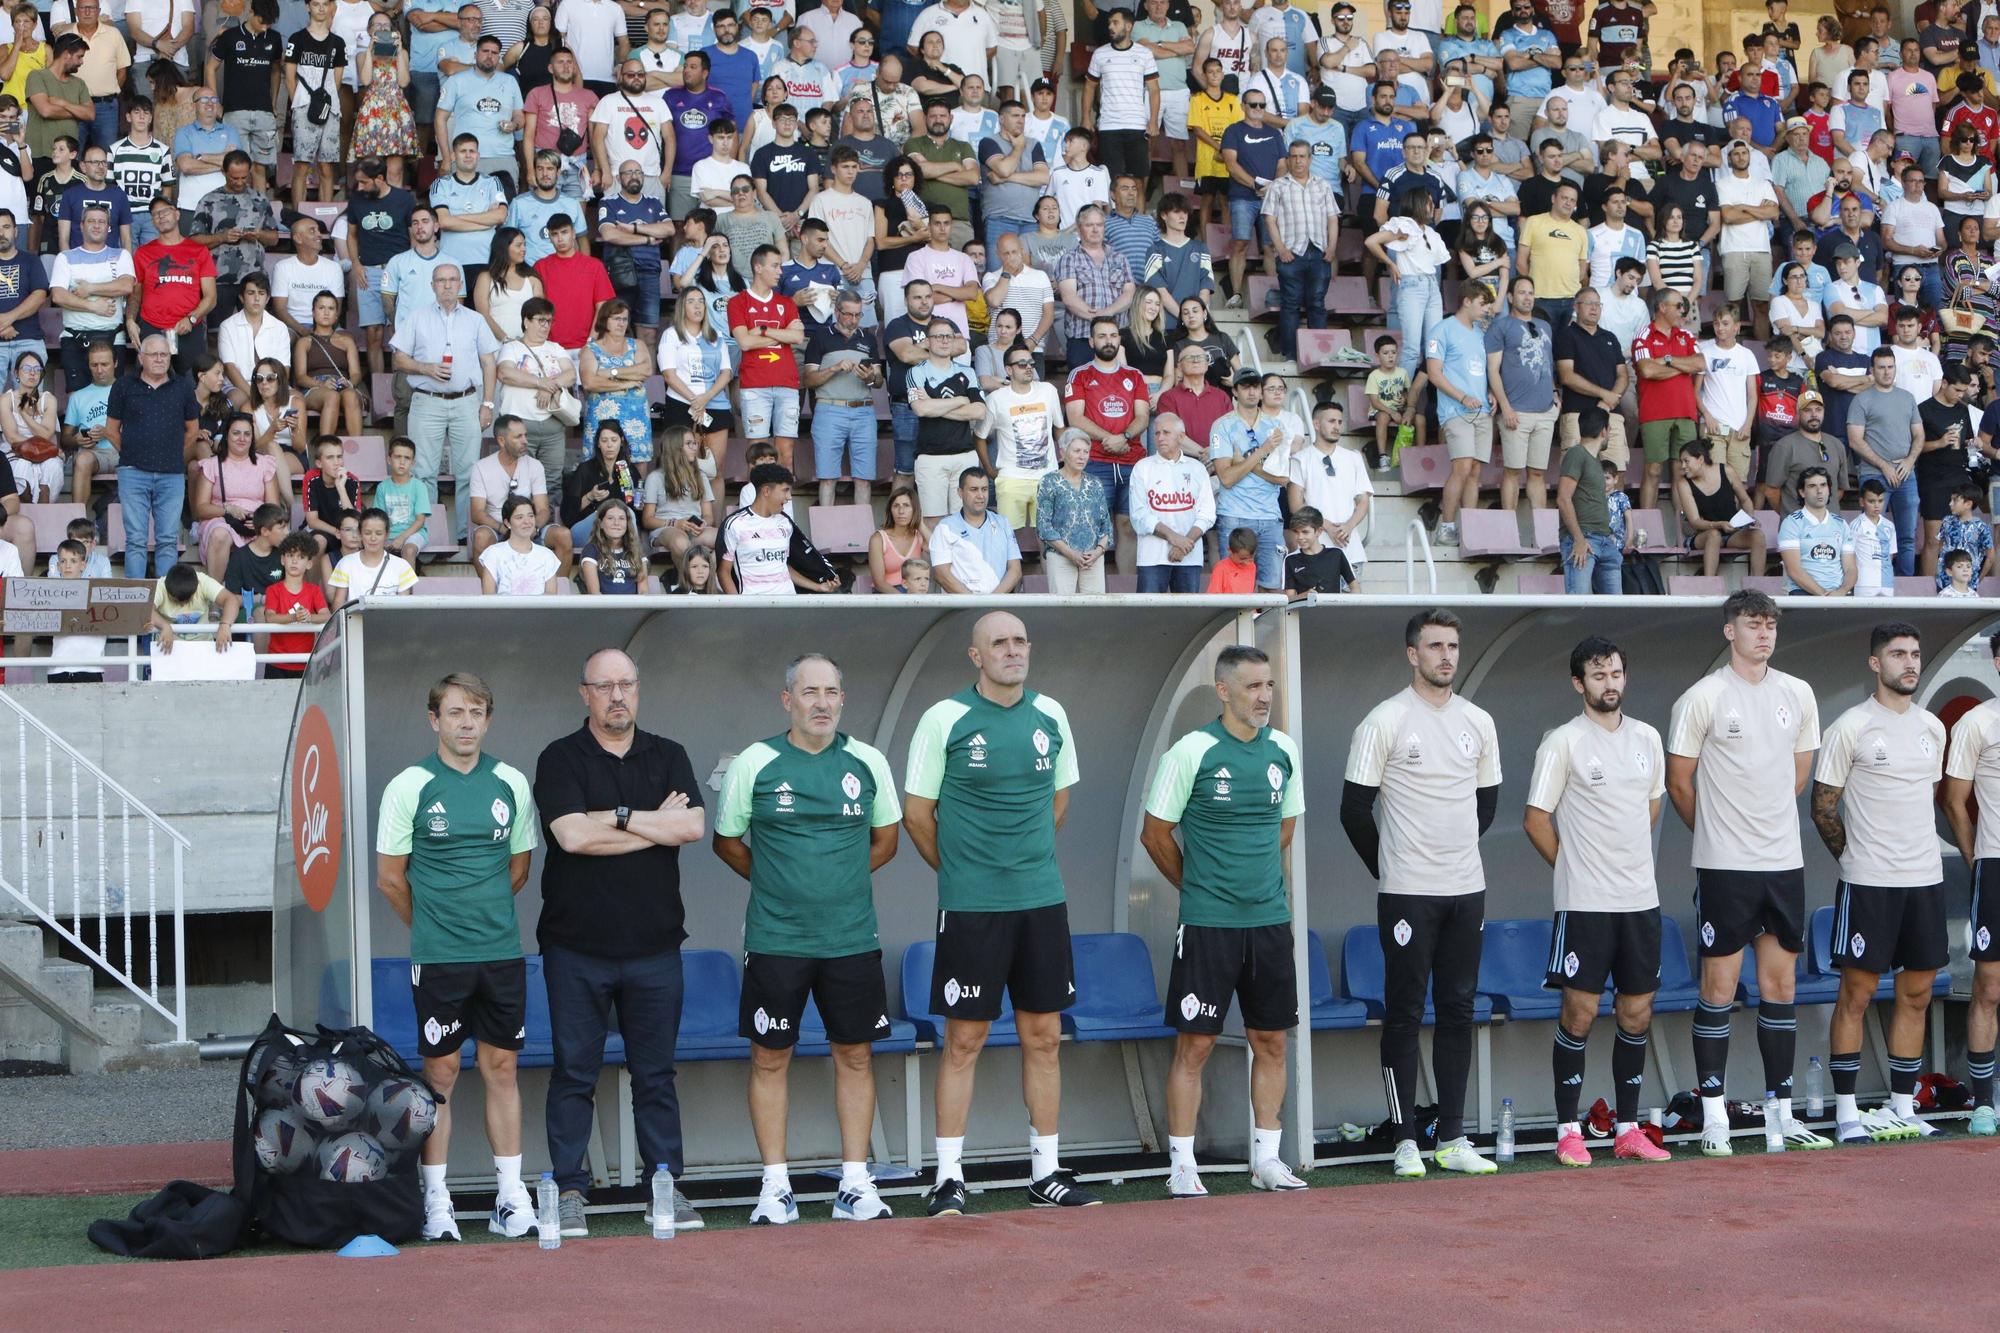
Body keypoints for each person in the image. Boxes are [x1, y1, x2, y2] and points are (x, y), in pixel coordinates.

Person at [904, 612, 1098, 1216]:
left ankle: (1045, 1172)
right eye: (1000, 644)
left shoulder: (1052, 714)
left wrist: (1024, 858)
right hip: (972, 907)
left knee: (1043, 1036)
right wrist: (964, 871)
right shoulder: (945, 719)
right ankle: (948, 1178)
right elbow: (917, 814)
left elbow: (1059, 801)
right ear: (975, 656)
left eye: (1020, 641)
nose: (1013, 651)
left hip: (1041, 900)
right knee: (965, 1039)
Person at [713, 654, 902, 1226]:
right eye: (810, 692)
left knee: (856, 1054)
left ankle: (853, 1181)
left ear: (843, 699)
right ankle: (776, 1187)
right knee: (770, 1058)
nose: (822, 702)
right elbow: (727, 841)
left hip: (850, 937)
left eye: (832, 692)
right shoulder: (757, 761)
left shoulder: (867, 761)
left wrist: (834, 885)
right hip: (776, 939)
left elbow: (886, 840)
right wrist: (782, 885)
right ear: (787, 700)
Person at [530, 648, 707, 1237]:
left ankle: (665, 1185)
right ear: (584, 693)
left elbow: (690, 827)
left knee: (655, 1075)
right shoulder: (560, 758)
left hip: (656, 948)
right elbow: (572, 838)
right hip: (574, 949)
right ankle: (570, 1190)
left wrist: (616, 817)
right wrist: (648, 824)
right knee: (573, 1074)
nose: (616, 696)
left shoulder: (669, 754)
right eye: (604, 686)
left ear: (638, 688)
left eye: (625, 684)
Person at [1137, 644, 1310, 1199]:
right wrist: (1197, 886)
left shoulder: (1282, 750)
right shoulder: (1192, 752)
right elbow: (1155, 833)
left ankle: (1267, 1159)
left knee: (1272, 1041)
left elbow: (1284, 828)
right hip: (1209, 924)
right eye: (1254, 687)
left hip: (1269, 922)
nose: (1264, 697)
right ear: (1224, 691)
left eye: (1269, 687)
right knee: (1197, 1044)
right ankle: (1183, 1164)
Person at [1664, 589, 1831, 1157]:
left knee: (1780, 986)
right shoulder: (1702, 698)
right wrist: (1714, 831)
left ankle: (1780, 1112)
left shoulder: (1798, 693)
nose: (1764, 633)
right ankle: (1713, 1112)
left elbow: (1800, 771)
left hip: (1783, 864)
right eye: (1752, 624)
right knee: (1720, 987)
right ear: (1729, 631)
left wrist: (1765, 819)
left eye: (1770, 625)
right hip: (1725, 867)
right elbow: (1679, 782)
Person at [374, 672, 540, 1242]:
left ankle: (510, 1197)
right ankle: (437, 1199)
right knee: (440, 1073)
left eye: (476, 712)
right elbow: (391, 880)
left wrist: (479, 915)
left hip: (500, 953)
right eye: (455, 713)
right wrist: (436, 927)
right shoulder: (410, 785)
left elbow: (519, 867)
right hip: (439, 956)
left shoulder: (511, 782)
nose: (466, 722)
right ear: (434, 720)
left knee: (502, 1068)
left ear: (487, 720)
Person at [1343, 609, 1501, 1179]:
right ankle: (1405, 1138)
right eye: (1434, 646)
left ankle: (1452, 1137)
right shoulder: (1385, 720)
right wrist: (1391, 867)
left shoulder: (1478, 721)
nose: (1446, 656)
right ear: (1413, 654)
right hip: (1407, 892)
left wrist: (1451, 855)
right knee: (1405, 1012)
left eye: (1453, 645)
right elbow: (1354, 810)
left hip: (1466, 889)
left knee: (1459, 1008)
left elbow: (1486, 804)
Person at [1523, 635, 1675, 1166]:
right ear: (1578, 684)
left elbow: (1651, 807)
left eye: (1615, 674)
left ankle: (1629, 1127)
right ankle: (1568, 1129)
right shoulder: (1563, 742)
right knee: (1580, 1010)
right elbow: (1535, 819)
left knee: (1637, 1011)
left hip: (1640, 899)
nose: (1609, 684)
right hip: (1584, 903)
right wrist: (1574, 866)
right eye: (1598, 676)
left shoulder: (1648, 738)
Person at [1810, 624, 1947, 1144]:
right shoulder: (1851, 726)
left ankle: (1902, 1108)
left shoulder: (1932, 728)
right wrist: (1856, 858)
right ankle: (1846, 1113)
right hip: (1869, 883)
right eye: (1897, 655)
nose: (1909, 663)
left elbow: (1924, 799)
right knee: (1857, 993)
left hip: (1925, 880)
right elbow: (1823, 805)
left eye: (1915, 654)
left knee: (1916, 994)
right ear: (1875, 663)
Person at [106, 333, 196, 577]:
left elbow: (192, 430)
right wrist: (132, 453)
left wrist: (172, 454)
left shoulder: (184, 387)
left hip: (171, 475)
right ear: (140, 357)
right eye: (154, 354)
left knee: (167, 540)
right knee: (135, 540)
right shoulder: (123, 385)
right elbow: (112, 430)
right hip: (133, 473)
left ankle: (164, 603)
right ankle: (135, 602)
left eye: (164, 354)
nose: (159, 359)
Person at [1426, 281, 1495, 548]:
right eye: (1482, 303)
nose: (1486, 309)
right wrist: (1461, 396)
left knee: (1476, 470)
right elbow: (1434, 373)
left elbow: (1484, 370)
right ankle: (1446, 525)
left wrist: (1489, 392)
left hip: (1482, 410)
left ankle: (1469, 528)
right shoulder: (1442, 330)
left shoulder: (1482, 332)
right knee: (1462, 466)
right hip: (1455, 410)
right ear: (1466, 301)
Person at [1845, 345, 1924, 574]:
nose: (1887, 372)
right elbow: (1855, 440)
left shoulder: (1907, 397)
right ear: (1872, 369)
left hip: (1906, 473)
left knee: (1907, 536)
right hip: (1874, 473)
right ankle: (1869, 579)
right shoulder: (1862, 399)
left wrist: (1909, 462)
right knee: (1869, 532)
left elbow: (1919, 435)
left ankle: (1905, 586)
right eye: (1881, 368)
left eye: (1890, 367)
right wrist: (1884, 465)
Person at [728, 243, 805, 468]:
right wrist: (783, 335)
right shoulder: (737, 302)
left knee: (786, 453)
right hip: (755, 385)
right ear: (758, 267)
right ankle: (757, 502)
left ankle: (785, 503)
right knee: (757, 453)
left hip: (787, 383)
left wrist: (763, 330)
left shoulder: (786, 302)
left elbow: (798, 337)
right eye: (775, 266)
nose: (781, 272)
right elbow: (744, 341)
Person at [1485, 275, 1557, 513]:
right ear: (1510, 297)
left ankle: (1543, 534)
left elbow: (1548, 363)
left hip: (1545, 410)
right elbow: (1493, 370)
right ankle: (1507, 530)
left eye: (1530, 293)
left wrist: (1555, 394)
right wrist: (1505, 407)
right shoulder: (1501, 326)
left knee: (1538, 472)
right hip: (1516, 411)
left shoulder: (1544, 325)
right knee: (1513, 471)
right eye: (1522, 292)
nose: (1527, 297)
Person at [721, 462, 837, 595]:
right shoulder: (735, 524)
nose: (789, 497)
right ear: (766, 491)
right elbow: (724, 571)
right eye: (785, 490)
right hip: (753, 606)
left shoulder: (785, 523)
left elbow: (782, 566)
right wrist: (738, 606)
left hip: (788, 604)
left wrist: (817, 587)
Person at [1127, 411, 1211, 593]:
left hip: (1189, 557)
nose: (1160, 438)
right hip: (1152, 557)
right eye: (1156, 433)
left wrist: (1184, 545)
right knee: (1148, 617)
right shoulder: (1142, 468)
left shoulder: (1197, 469)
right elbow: (1139, 515)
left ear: (1181, 437)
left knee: (1188, 618)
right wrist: (1175, 538)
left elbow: (1207, 514)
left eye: (1166, 432)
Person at [1083, 9, 1158, 184]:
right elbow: (1089, 86)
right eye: (1109, 23)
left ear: (1129, 26)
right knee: (1111, 180)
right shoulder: (1100, 54)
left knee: (1138, 181)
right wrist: (1085, 118)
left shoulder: (1144, 53)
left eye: (1115, 23)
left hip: (1137, 124)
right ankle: (1111, 213)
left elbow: (1154, 89)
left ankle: (1140, 213)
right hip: (1109, 125)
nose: (1110, 27)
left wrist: (1153, 121)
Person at [1674, 438, 1766, 577]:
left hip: (1732, 532)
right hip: (1703, 534)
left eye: (1686, 461)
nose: (1683, 466)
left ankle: (1758, 586)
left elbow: (1745, 500)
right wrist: (1719, 524)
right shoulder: (1683, 483)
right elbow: (1695, 521)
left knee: (1758, 536)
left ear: (1700, 459)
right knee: (1714, 535)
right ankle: (1710, 585)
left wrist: (1750, 519)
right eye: (1681, 462)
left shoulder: (1726, 470)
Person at [580, 299, 654, 471]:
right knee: (600, 469)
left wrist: (609, 372)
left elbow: (645, 369)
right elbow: (590, 382)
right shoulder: (590, 349)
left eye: (624, 319)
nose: (621, 323)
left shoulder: (637, 345)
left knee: (637, 466)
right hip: (602, 420)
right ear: (604, 319)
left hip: (635, 419)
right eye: (616, 318)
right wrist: (626, 384)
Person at [1034, 429, 1111, 594]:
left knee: (1095, 612)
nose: (1082, 456)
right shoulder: (1049, 481)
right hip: (1061, 556)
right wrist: (1071, 553)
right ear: (1062, 452)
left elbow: (1106, 524)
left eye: (1086, 452)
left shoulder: (1095, 483)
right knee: (1062, 612)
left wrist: (1098, 551)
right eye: (1077, 451)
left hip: (1093, 559)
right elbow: (1044, 527)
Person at [1554, 405, 1620, 594]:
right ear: (1604, 431)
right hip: (1584, 540)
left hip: (1603, 541)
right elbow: (1563, 498)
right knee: (1579, 605)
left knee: (1616, 611)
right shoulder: (1577, 454)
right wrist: (1579, 539)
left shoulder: (1594, 460)